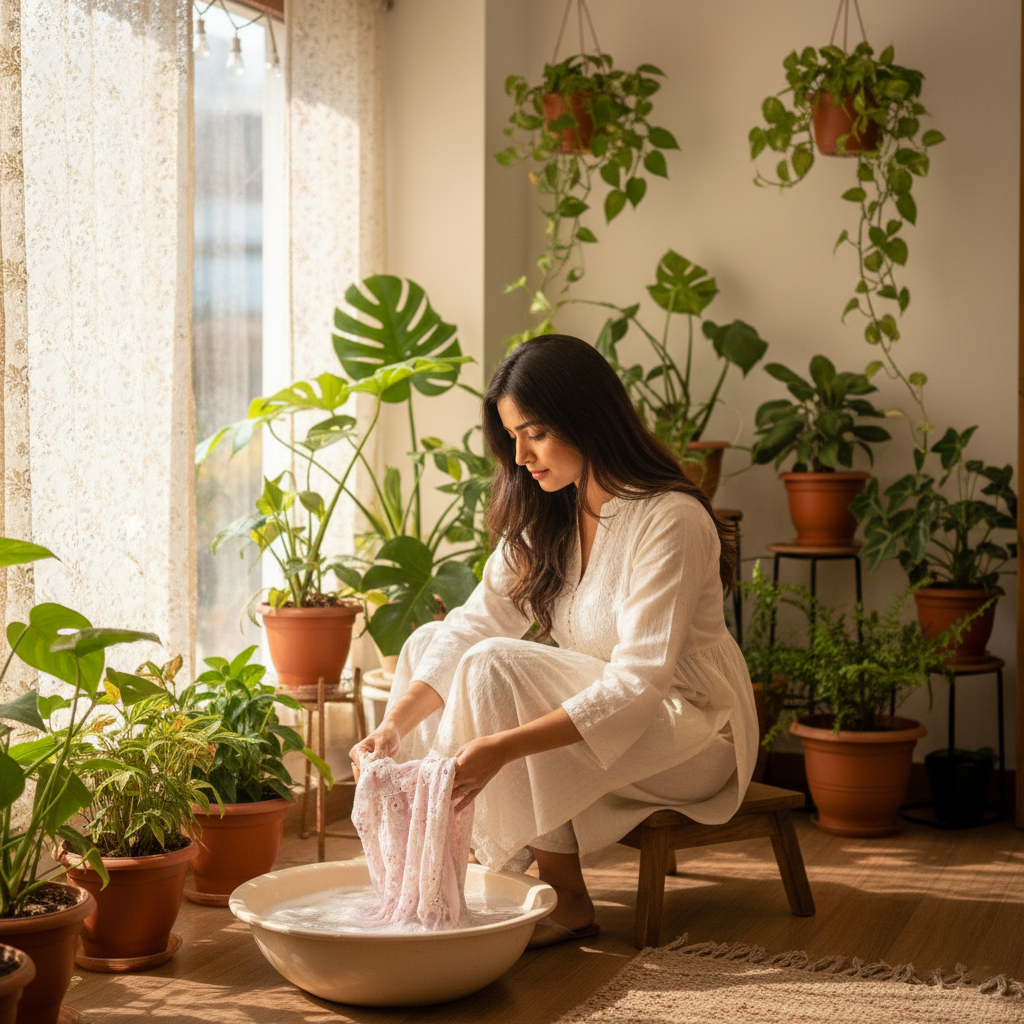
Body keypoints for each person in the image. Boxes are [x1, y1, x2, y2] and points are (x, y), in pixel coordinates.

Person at [350, 334, 758, 947]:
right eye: (513, 437)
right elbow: (472, 623)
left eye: (534, 433)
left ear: (586, 417)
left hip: (693, 734)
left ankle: (564, 896)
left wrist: (500, 748)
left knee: (493, 667)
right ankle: (435, 876)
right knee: (432, 640)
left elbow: (640, 684)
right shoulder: (552, 514)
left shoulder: (670, 518)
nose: (521, 457)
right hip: (620, 724)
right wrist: (394, 726)